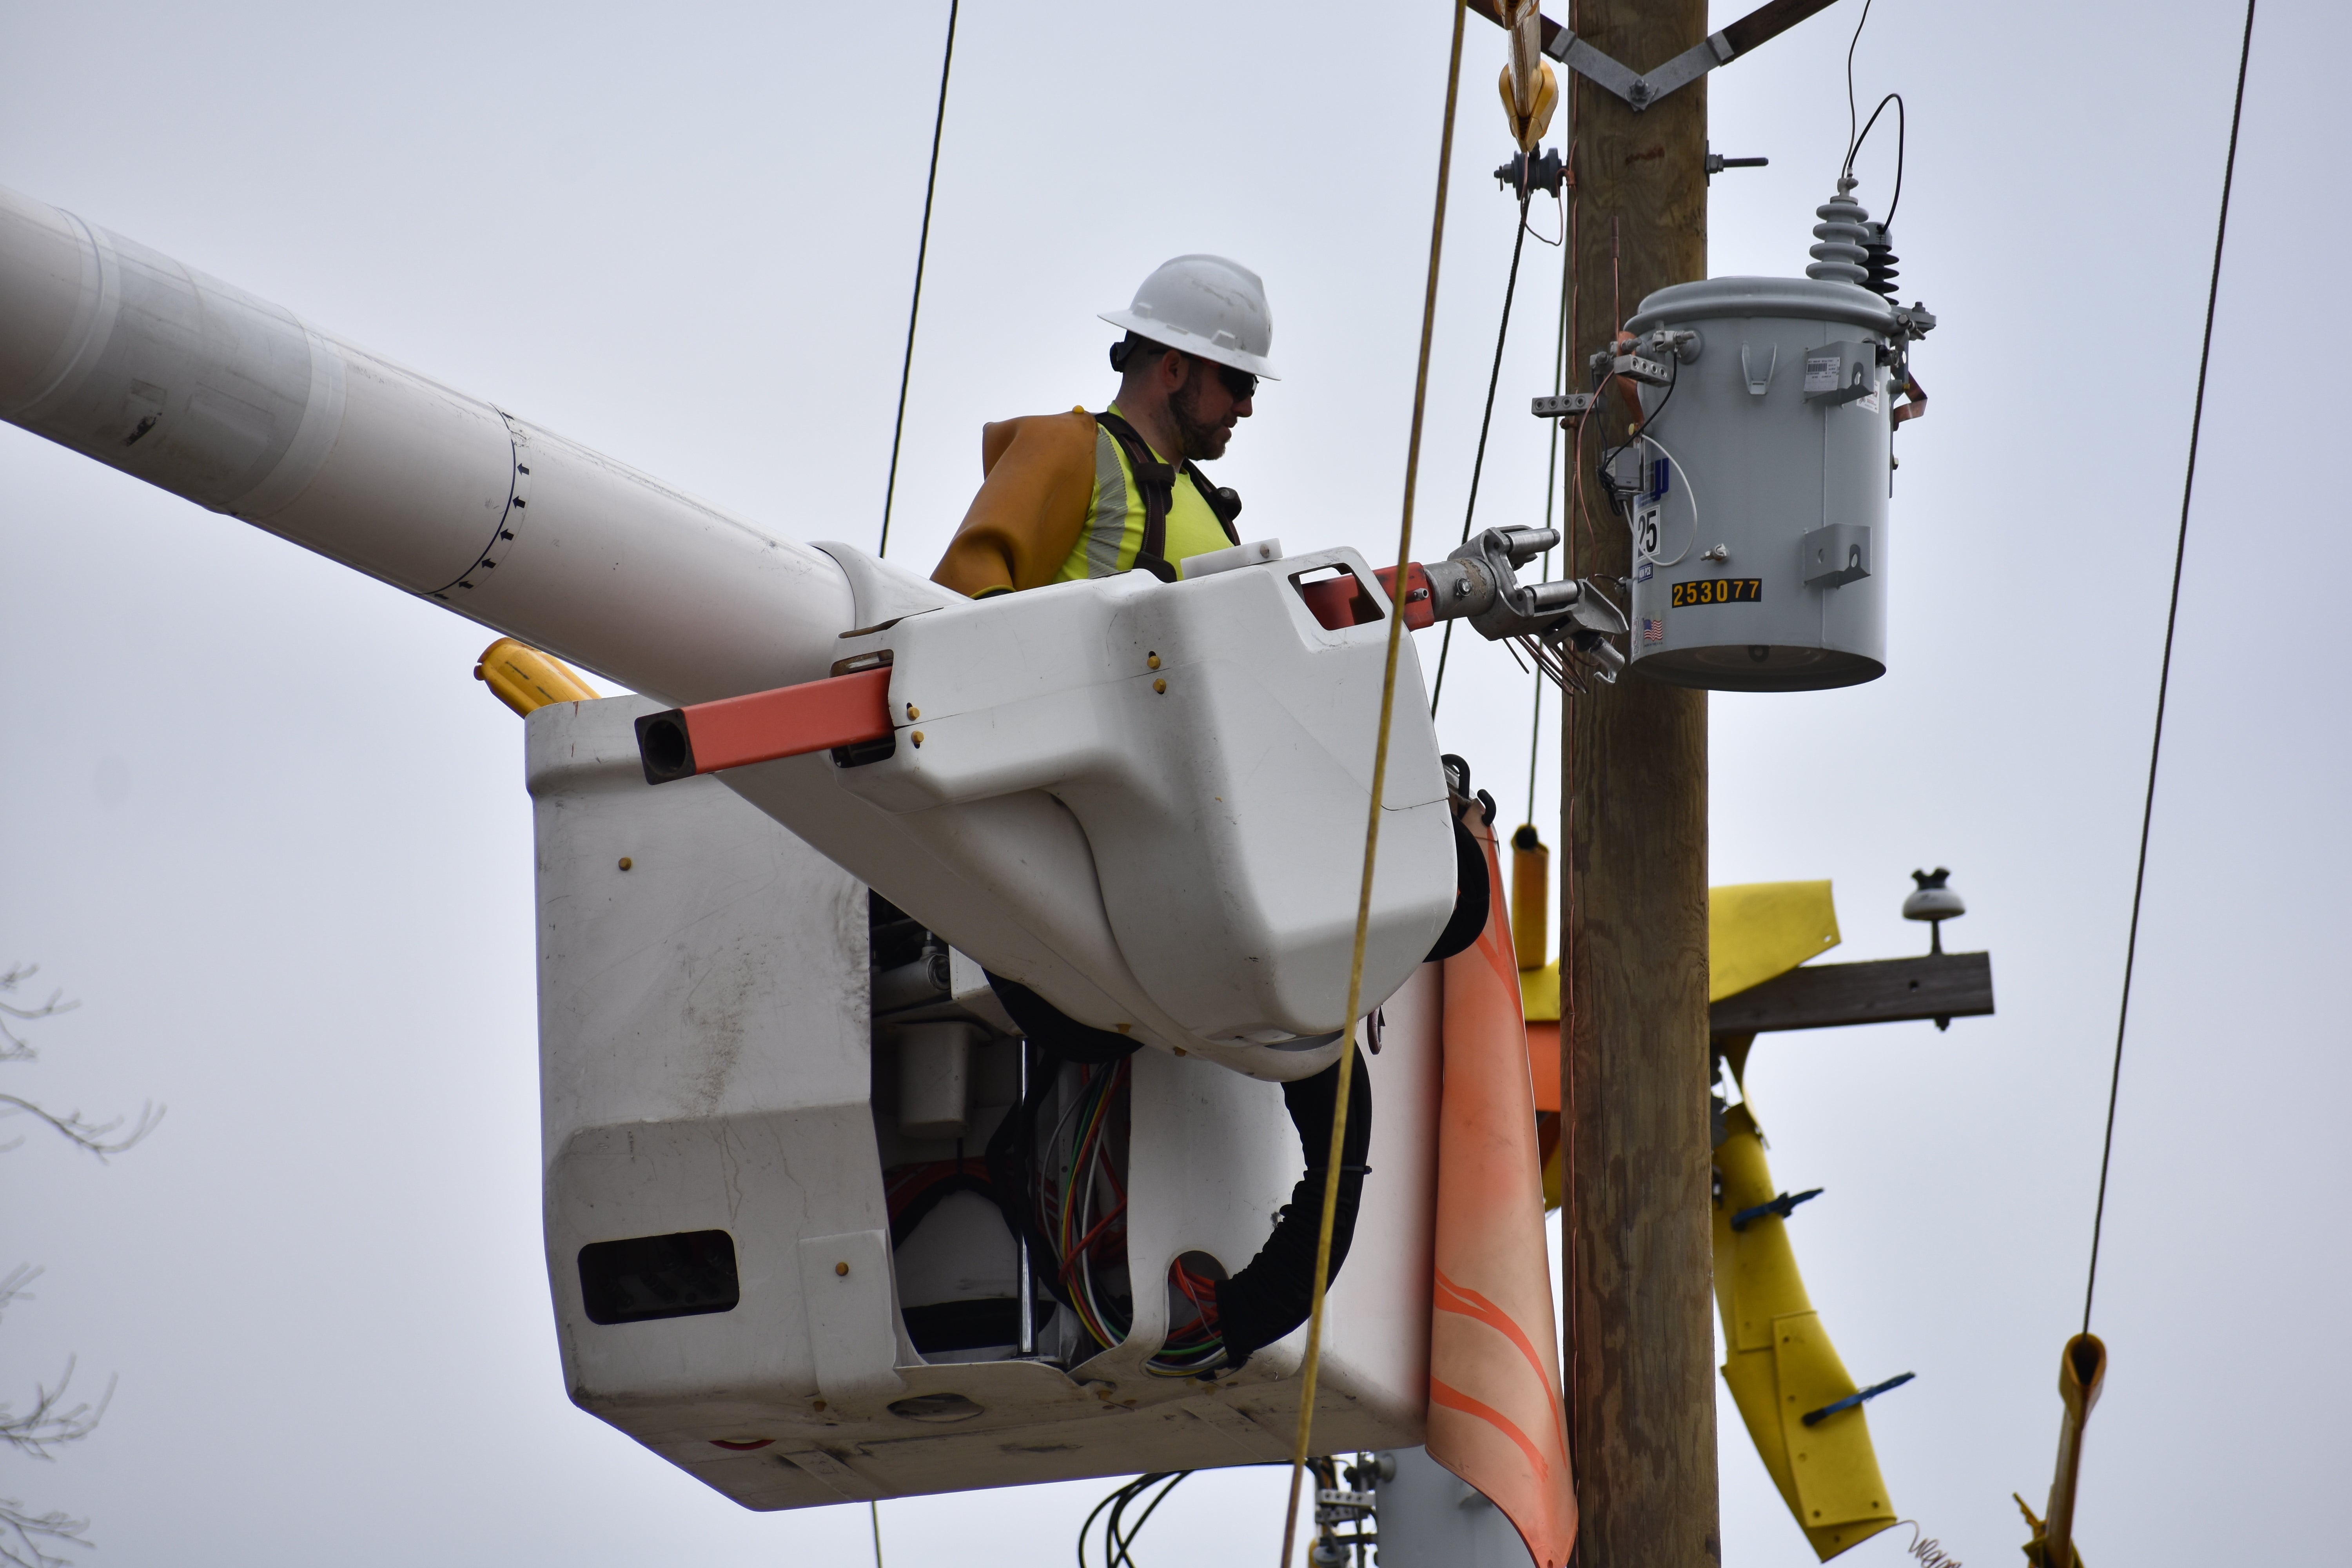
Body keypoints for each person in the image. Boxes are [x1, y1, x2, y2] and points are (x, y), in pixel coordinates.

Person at [931, 254, 1278, 598]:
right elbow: (966, 586)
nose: (1246, 408)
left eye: (1252, 387)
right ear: (1173, 369)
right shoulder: (1073, 447)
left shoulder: (1208, 502)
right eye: (1239, 383)